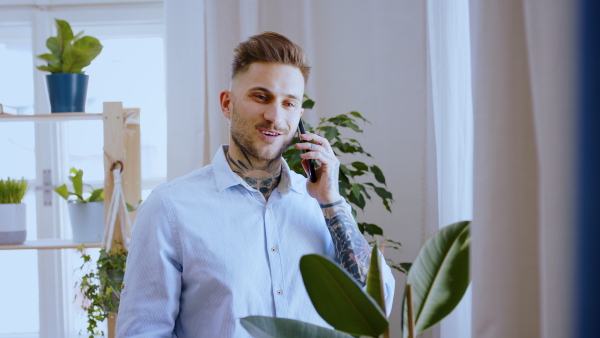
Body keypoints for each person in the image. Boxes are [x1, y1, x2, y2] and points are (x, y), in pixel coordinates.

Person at [116, 31, 395, 337]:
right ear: (227, 104)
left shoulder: (321, 205)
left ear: (300, 117)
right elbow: (143, 331)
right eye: (261, 97)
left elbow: (376, 308)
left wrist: (332, 202)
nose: (275, 117)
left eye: (289, 104)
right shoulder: (169, 208)